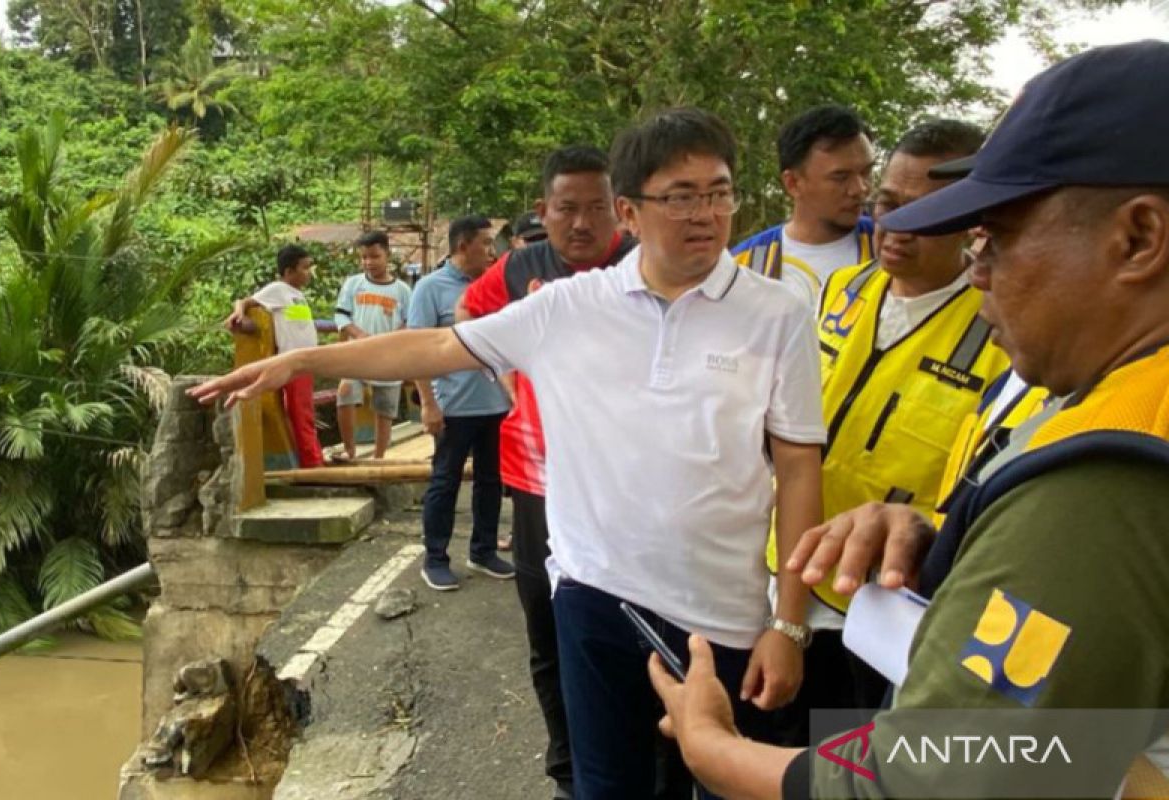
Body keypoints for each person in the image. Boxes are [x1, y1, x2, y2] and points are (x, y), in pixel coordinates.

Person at [189, 107, 826, 800]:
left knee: (725, 784)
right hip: (595, 596)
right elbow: (434, 348)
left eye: (719, 192)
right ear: (630, 211)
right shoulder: (569, 307)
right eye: (680, 196)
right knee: (605, 787)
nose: (705, 213)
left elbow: (797, 468)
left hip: (723, 611)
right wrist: (301, 359)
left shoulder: (777, 312)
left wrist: (788, 622)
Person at [650, 40, 1169, 800]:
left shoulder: (1110, 471)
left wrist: (713, 747)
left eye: (1002, 234)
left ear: (1138, 238)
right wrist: (946, 536)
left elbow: (937, 779)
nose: (979, 265)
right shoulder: (854, 296)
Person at [760, 119, 1012, 745]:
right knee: (766, 757)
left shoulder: (999, 338)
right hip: (781, 578)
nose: (896, 228)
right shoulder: (842, 291)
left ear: (971, 219)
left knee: (848, 767)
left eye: (926, 211)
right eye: (889, 205)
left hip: (881, 616)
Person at [456, 145, 637, 800]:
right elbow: (468, 316)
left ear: (621, 209)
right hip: (534, 484)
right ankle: (568, 771)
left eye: (597, 208)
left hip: (626, 486)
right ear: (543, 211)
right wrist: (502, 371)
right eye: (568, 208)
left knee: (630, 634)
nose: (583, 223)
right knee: (547, 632)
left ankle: (642, 765)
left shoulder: (644, 265)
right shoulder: (520, 266)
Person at [408, 215, 515, 591]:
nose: (491, 251)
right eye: (485, 243)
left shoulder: (495, 285)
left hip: (497, 404)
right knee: (445, 482)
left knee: (491, 481)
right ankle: (435, 558)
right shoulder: (430, 288)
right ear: (462, 246)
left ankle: (483, 551)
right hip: (453, 407)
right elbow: (418, 348)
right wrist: (428, 404)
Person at [731, 106, 876, 306]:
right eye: (840, 177)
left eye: (866, 172)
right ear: (793, 183)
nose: (860, 188)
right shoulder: (744, 266)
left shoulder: (891, 249)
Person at [224, 244, 323, 468]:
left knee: (305, 412)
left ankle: (313, 457)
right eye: (305, 268)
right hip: (294, 362)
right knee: (301, 413)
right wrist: (238, 313)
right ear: (289, 272)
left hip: (306, 362)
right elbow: (246, 301)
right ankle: (312, 463)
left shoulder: (297, 295)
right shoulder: (278, 289)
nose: (309, 273)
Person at [333, 231, 412, 461]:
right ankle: (350, 450)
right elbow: (341, 316)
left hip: (388, 356)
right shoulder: (353, 284)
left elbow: (411, 321)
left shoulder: (402, 291)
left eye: (375, 256)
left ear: (387, 255)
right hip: (356, 352)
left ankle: (379, 456)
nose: (369, 262)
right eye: (364, 257)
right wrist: (359, 335)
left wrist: (389, 341)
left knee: (385, 407)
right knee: (345, 393)